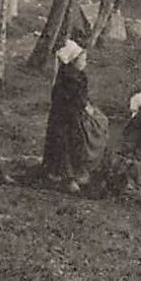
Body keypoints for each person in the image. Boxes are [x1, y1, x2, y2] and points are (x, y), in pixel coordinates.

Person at [40, 39, 108, 192]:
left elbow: (82, 97)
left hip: (73, 113)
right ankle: (67, 176)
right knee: (72, 140)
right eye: (82, 59)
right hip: (66, 118)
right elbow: (71, 100)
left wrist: (88, 106)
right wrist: (84, 108)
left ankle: (84, 169)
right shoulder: (68, 77)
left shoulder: (78, 75)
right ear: (73, 61)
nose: (85, 62)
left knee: (101, 121)